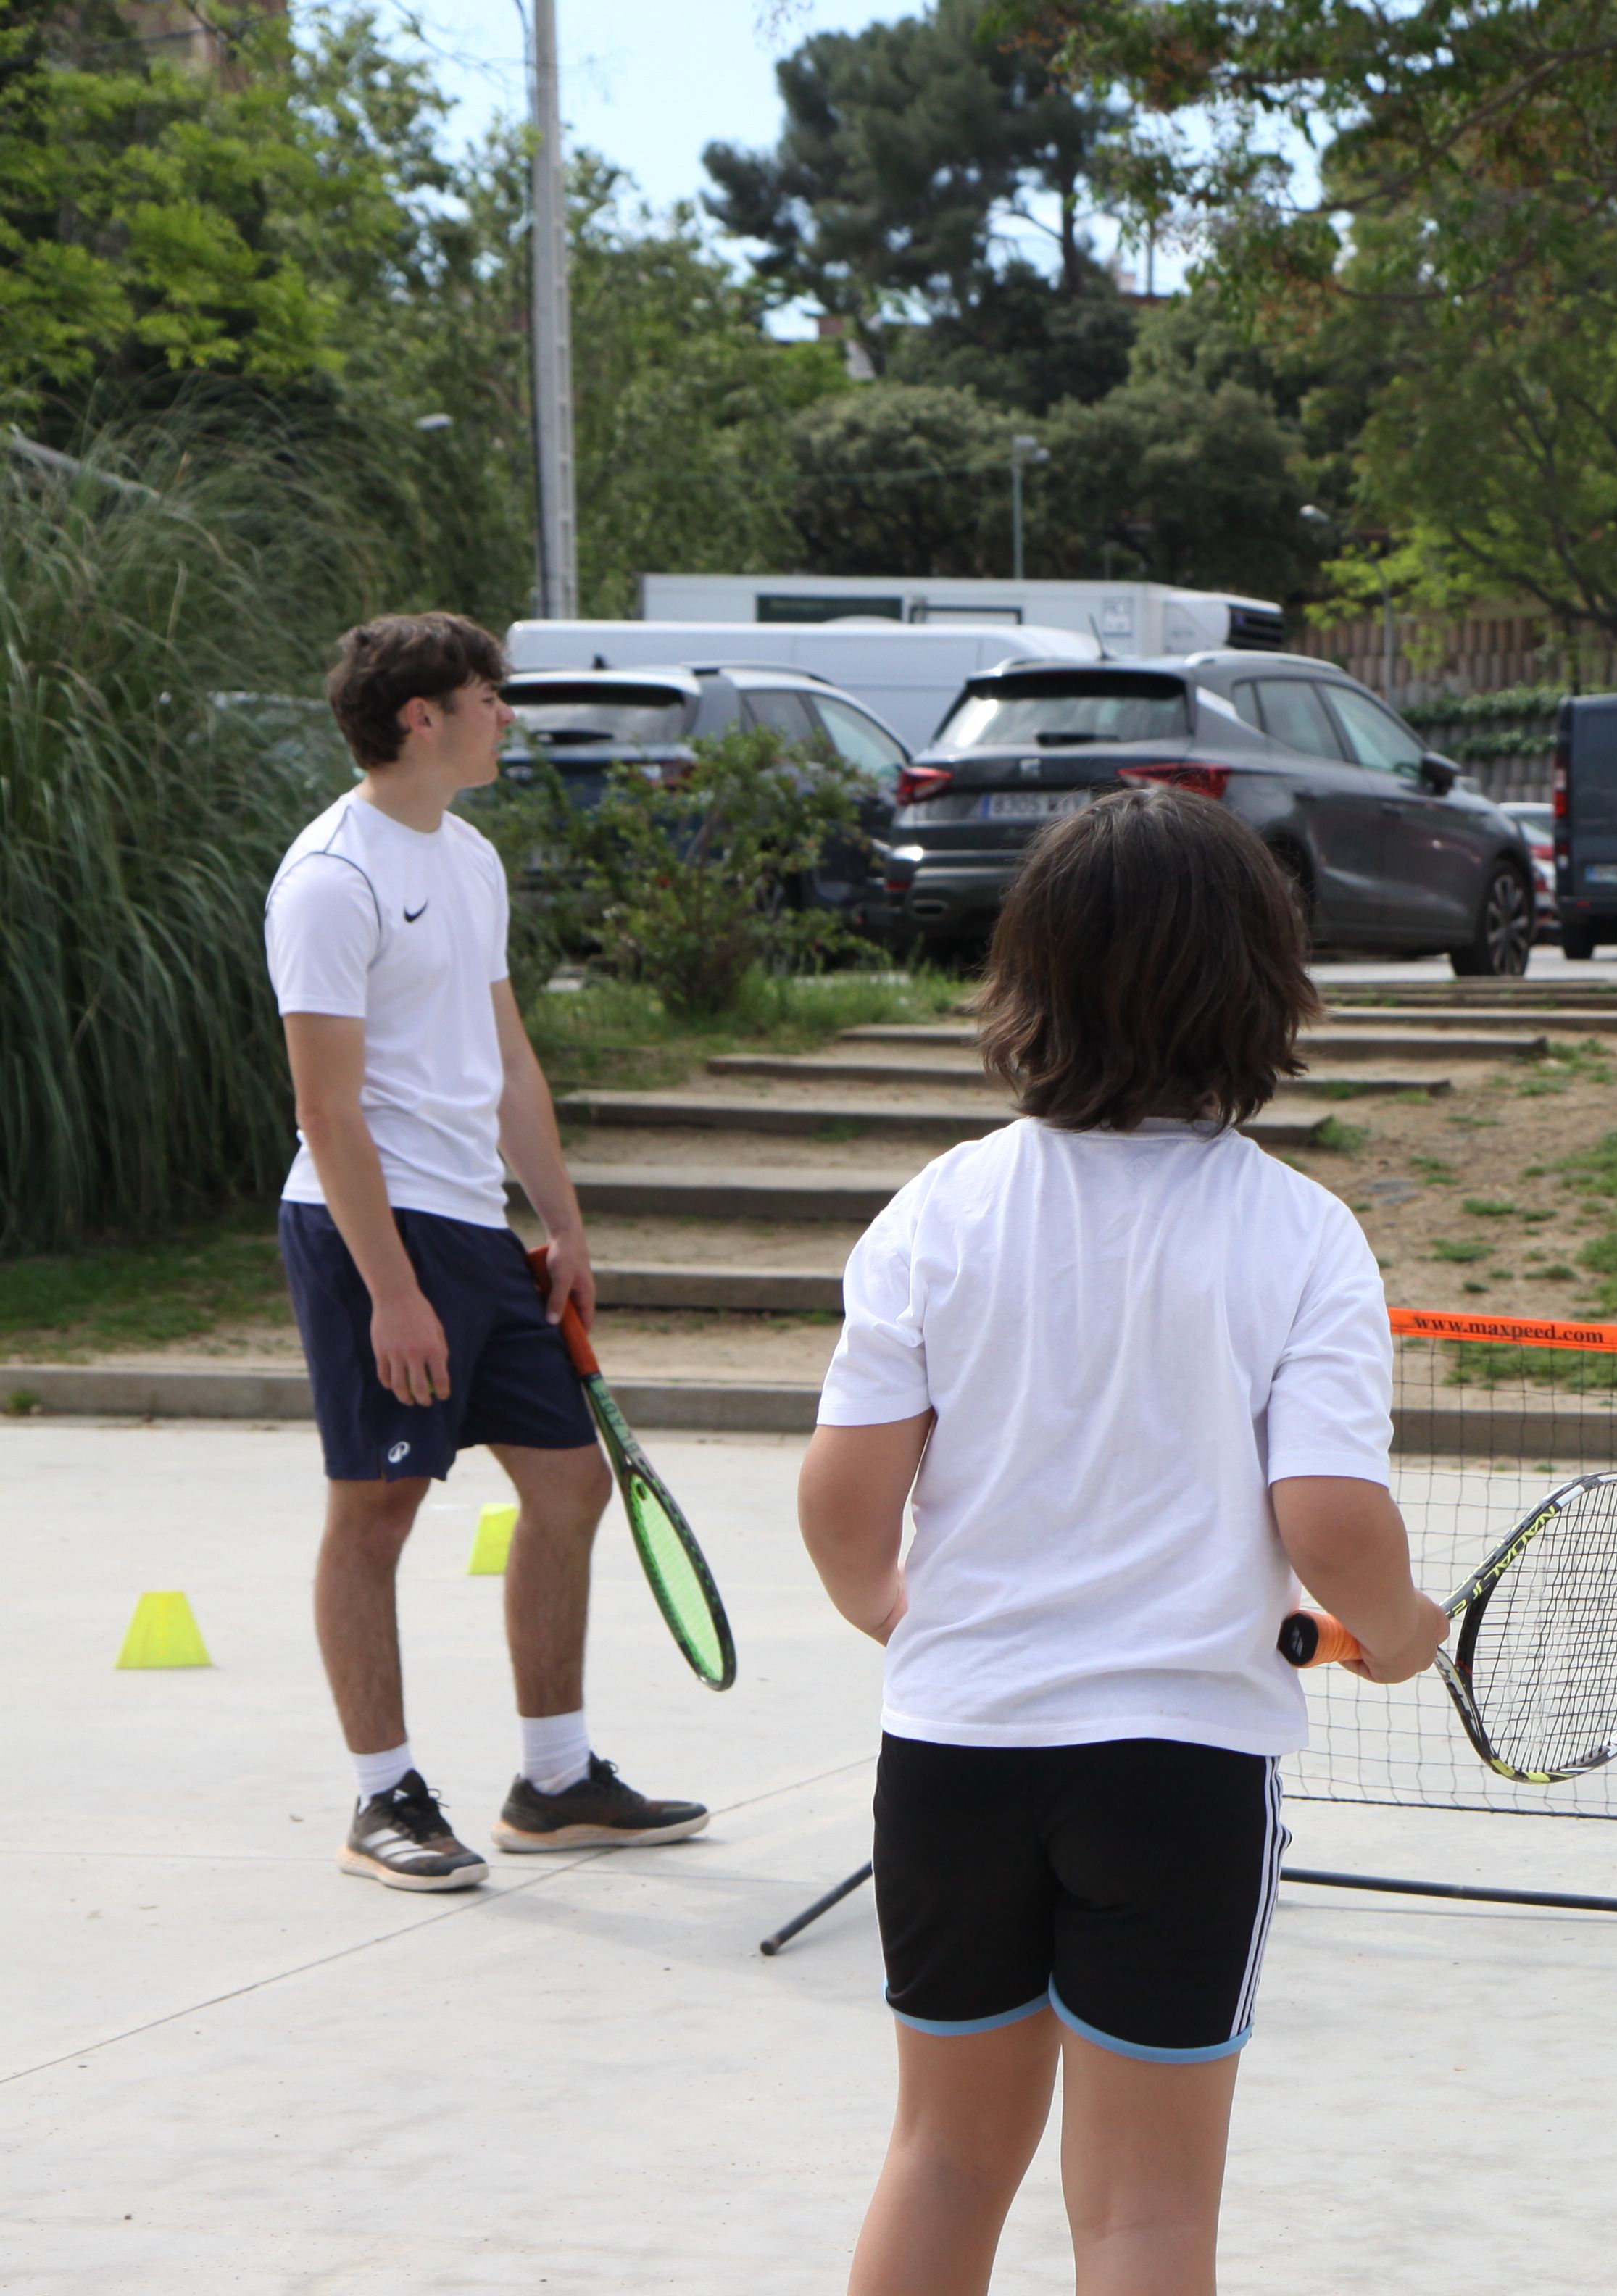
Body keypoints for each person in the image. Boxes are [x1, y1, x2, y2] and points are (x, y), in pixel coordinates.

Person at [797, 784, 1447, 2296]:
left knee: (942, 2157)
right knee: (1146, 2215)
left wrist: (902, 1619)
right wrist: (1403, 1630)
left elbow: (841, 1503)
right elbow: (1332, 1523)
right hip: (1177, 1768)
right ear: (1265, 987)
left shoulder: (937, 1213)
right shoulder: (1299, 1235)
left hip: (954, 1754)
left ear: (1028, 977)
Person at [270, 612, 706, 1892]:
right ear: (421, 716)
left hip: (473, 1224)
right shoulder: (330, 878)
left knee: (570, 1483)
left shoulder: (467, 857)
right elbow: (327, 1108)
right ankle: (381, 1797)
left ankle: (555, 1780)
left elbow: (509, 1059)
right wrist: (393, 1292)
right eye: (487, 695)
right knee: (377, 1508)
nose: (504, 714)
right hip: (370, 1233)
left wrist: (560, 1219)